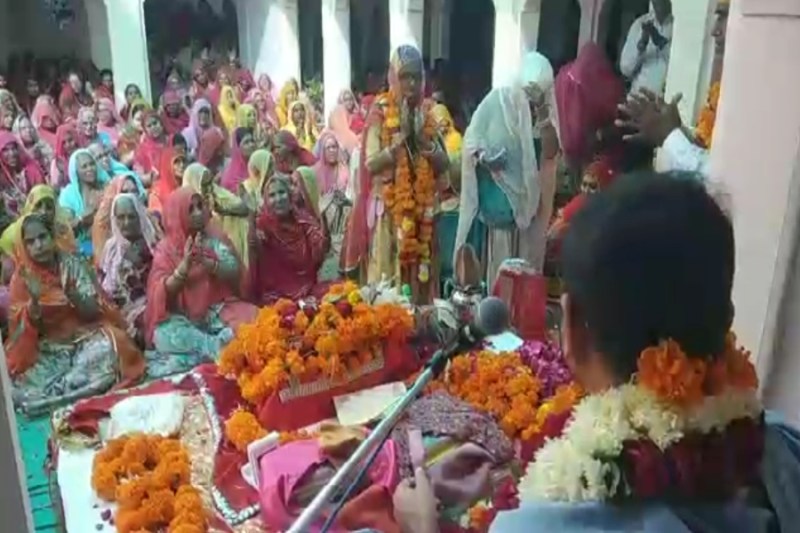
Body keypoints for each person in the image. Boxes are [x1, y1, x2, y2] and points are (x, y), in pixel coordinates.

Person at [5, 213, 145, 415]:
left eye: (42, 237)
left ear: (52, 237)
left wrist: (73, 294)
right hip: (47, 349)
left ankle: (65, 389)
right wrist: (34, 302)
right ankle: (72, 388)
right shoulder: (22, 279)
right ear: (23, 246)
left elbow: (92, 312)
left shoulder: (70, 264)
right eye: (31, 242)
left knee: (113, 345)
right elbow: (23, 331)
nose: (38, 245)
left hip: (83, 337)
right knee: (21, 384)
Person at [341, 45, 449, 304]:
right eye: (405, 77)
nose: (411, 83)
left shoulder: (428, 112)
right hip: (389, 212)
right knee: (389, 282)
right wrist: (396, 147)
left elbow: (444, 164)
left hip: (422, 211)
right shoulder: (380, 112)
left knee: (421, 275)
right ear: (393, 78)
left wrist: (426, 145)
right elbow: (370, 163)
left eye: (416, 77)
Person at [454, 51, 558, 283]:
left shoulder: (543, 112)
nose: (529, 104)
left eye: (537, 97)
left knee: (524, 277)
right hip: (498, 211)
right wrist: (484, 158)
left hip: (530, 212)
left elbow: (551, 153)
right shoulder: (497, 102)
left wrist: (542, 113)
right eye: (528, 96)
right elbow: (471, 140)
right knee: (497, 280)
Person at [143, 187, 257, 378]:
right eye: (190, 209)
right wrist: (184, 267)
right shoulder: (166, 249)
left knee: (257, 319)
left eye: (199, 206)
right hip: (183, 319)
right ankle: (215, 347)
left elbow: (233, 271)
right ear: (176, 215)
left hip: (217, 311)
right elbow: (160, 292)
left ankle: (194, 358)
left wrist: (208, 263)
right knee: (162, 334)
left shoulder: (214, 238)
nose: (197, 213)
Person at [253, 174, 330, 303]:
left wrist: (324, 220)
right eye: (272, 195)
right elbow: (253, 251)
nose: (278, 199)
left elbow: (319, 252)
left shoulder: (304, 221)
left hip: (307, 290)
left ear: (290, 195)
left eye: (282, 192)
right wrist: (251, 225)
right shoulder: (262, 226)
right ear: (266, 200)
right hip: (275, 297)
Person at [99, 193, 159, 346]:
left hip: (147, 311)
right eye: (120, 217)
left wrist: (139, 264)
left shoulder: (153, 246)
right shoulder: (111, 248)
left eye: (131, 217)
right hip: (114, 310)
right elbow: (101, 282)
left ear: (139, 217)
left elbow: (158, 287)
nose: (126, 223)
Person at [183, 162, 252, 267]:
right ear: (194, 183)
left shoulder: (215, 192)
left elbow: (243, 208)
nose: (209, 188)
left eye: (210, 183)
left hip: (228, 245)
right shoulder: (185, 204)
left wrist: (221, 210)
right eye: (204, 185)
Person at [313, 131, 351, 281]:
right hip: (322, 219)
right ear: (322, 150)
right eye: (328, 148)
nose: (332, 151)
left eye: (335, 147)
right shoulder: (315, 171)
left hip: (342, 220)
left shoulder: (344, 169)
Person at [0, 184, 76, 258]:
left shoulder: (63, 232)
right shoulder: (12, 235)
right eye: (38, 206)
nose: (43, 211)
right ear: (29, 207)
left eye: (49, 207)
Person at [59, 149, 110, 256]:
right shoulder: (68, 195)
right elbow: (65, 228)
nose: (90, 169)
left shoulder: (106, 188)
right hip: (79, 247)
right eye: (84, 166)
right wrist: (82, 218)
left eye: (92, 164)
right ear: (76, 171)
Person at [90, 173, 147, 266]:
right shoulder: (102, 222)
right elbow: (101, 263)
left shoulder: (145, 217)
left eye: (134, 191)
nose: (130, 195)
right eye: (124, 192)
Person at [619, 0, 673, 95]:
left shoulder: (678, 27)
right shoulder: (640, 24)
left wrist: (661, 42)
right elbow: (625, 69)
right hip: (636, 99)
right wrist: (641, 45)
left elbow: (683, 64)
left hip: (661, 103)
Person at [0, 131, 45, 218]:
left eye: (14, 148)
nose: (12, 153)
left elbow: (43, 196)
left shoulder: (32, 171)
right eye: (5, 150)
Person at [132, 111, 167, 184]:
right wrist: (150, 177)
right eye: (149, 126)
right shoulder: (141, 150)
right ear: (145, 130)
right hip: (155, 185)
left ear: (161, 123)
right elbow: (138, 176)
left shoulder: (172, 141)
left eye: (155, 123)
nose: (153, 127)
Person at [150, 148, 187, 216]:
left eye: (183, 161)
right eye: (176, 162)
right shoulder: (157, 191)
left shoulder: (187, 185)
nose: (182, 165)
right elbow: (156, 216)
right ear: (167, 164)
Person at [221, 127, 257, 192]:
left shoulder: (258, 166)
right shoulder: (230, 178)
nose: (251, 145)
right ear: (237, 148)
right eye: (246, 142)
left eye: (252, 141)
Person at [327, 88, 362, 155]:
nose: (349, 102)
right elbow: (343, 133)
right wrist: (356, 140)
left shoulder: (357, 113)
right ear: (341, 101)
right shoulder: (338, 112)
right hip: (342, 148)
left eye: (350, 99)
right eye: (346, 100)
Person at [242, 148, 274, 212]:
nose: (273, 169)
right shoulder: (247, 189)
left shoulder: (274, 184)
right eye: (269, 165)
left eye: (273, 164)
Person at [49, 123, 79, 189]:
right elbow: (56, 187)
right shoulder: (57, 163)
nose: (68, 145)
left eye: (70, 140)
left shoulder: (83, 154)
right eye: (63, 143)